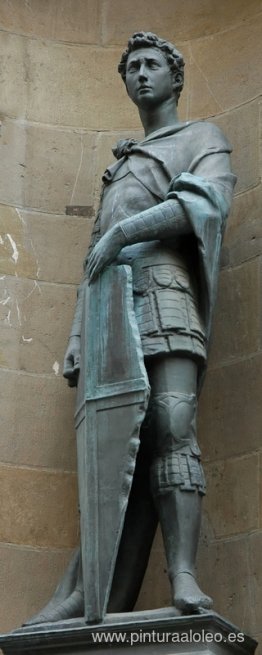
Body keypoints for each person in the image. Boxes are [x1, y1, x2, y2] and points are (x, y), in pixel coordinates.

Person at [26, 31, 236, 624]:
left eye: (152, 65)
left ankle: (185, 577)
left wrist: (124, 233)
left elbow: (206, 206)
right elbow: (93, 254)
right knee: (111, 448)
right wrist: (73, 338)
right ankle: (87, 590)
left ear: (176, 76)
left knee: (174, 422)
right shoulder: (117, 170)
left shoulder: (203, 139)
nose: (141, 75)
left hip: (167, 290)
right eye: (132, 68)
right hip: (108, 311)